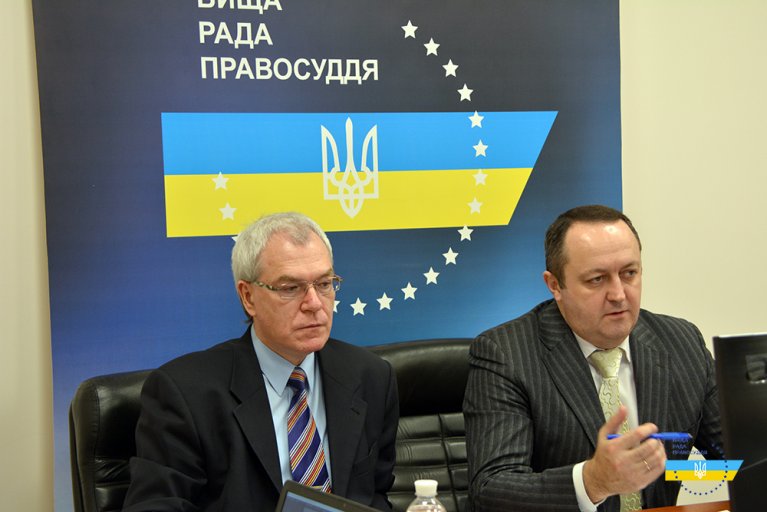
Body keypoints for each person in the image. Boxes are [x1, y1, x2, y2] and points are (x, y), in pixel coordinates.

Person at [123, 212, 399, 512]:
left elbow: (374, 497)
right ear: (248, 297)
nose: (314, 304)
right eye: (290, 288)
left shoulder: (371, 377)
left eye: (324, 284)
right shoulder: (185, 394)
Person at [464, 205, 721, 511]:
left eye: (629, 273)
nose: (618, 294)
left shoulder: (682, 342)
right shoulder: (505, 354)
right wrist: (592, 481)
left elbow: (737, 455)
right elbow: (492, 490)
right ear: (555, 285)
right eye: (597, 279)